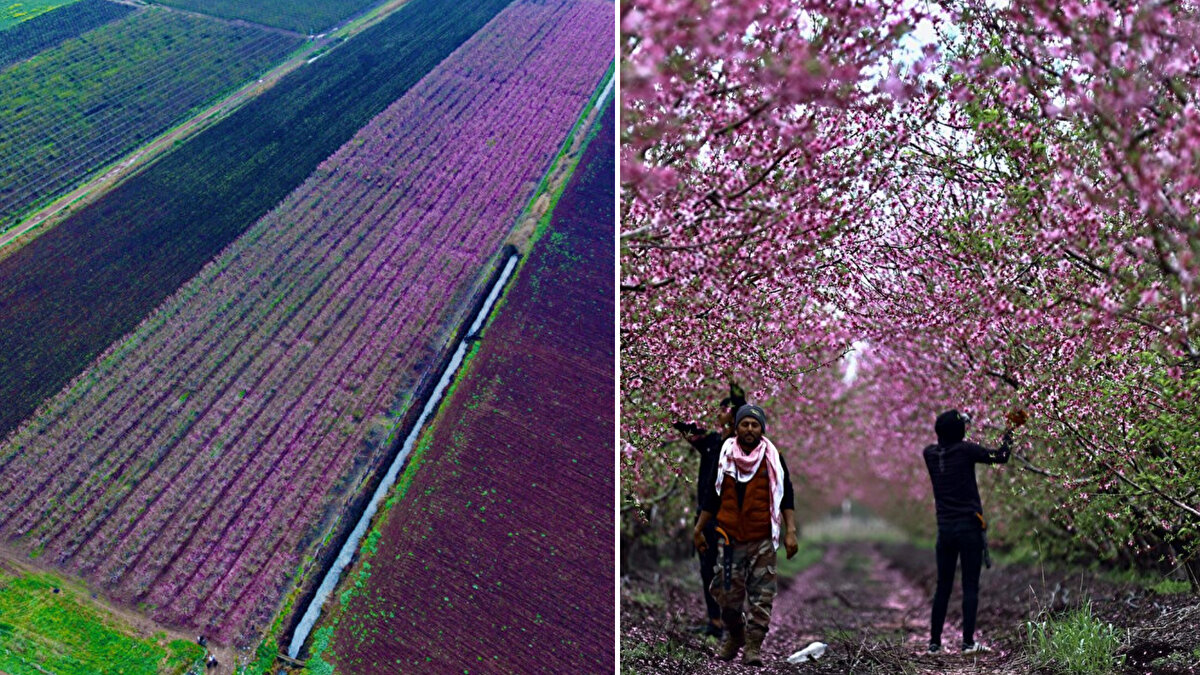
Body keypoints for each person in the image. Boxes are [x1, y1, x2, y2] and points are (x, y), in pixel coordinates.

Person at [692, 404, 799, 667]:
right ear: (737, 427)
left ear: (762, 428)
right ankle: (736, 635)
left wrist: (791, 532)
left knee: (762, 596)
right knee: (725, 594)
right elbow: (712, 495)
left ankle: (753, 646)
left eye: (755, 425)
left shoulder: (773, 457)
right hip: (729, 538)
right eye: (745, 424)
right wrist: (698, 529)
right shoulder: (724, 455)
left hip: (762, 536)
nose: (750, 429)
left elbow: (786, 494)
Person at [922, 408, 1024, 655]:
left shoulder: (930, 454)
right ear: (960, 431)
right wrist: (1010, 430)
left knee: (943, 586)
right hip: (969, 528)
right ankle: (968, 643)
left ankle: (934, 644)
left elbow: (947, 434)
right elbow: (1001, 456)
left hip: (944, 531)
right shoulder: (966, 450)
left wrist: (957, 421)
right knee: (970, 585)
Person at [674, 386, 744, 638]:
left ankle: (731, 622)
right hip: (705, 517)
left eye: (725, 410)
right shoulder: (712, 443)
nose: (720, 414)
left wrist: (737, 396)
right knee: (707, 567)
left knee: (731, 569)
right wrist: (668, 406)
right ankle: (714, 621)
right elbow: (685, 429)